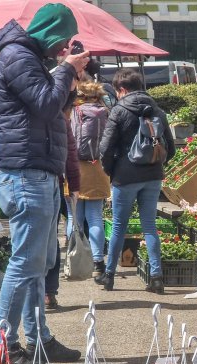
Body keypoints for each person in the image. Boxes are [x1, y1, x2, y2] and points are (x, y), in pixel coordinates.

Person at [0, 3, 89, 364]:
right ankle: (4, 346)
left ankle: (39, 339)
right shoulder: (17, 56)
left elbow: (54, 105)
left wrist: (70, 77)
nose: (63, 48)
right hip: (26, 173)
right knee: (25, 263)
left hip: (40, 172)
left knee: (37, 264)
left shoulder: (29, 58)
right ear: (48, 31)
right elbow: (46, 106)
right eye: (61, 40)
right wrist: (64, 69)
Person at [95, 68, 175, 293]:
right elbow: (170, 146)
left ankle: (109, 275)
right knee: (149, 226)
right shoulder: (158, 110)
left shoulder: (119, 111)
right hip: (153, 176)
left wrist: (111, 171)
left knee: (119, 226)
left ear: (121, 90)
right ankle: (157, 277)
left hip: (125, 176)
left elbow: (105, 147)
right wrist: (156, 165)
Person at [45, 79, 82, 310]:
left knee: (33, 241)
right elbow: (71, 154)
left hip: (30, 182)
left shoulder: (31, 114)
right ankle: (49, 292)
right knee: (51, 241)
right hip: (54, 184)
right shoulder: (62, 121)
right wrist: (75, 185)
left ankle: (39, 291)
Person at [67, 80, 110, 277]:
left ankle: (72, 258)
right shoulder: (105, 112)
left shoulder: (73, 112)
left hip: (73, 168)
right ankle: (98, 261)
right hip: (97, 167)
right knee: (95, 217)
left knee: (73, 217)